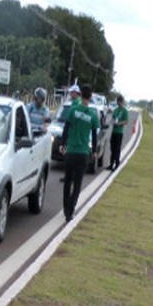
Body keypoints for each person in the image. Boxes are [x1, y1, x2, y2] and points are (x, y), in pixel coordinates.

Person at [59, 83, 98, 222]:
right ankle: (71, 210)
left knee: (67, 180)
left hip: (71, 150)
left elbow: (66, 128)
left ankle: (65, 207)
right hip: (83, 153)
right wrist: (93, 151)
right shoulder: (93, 115)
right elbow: (94, 135)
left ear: (80, 95)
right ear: (91, 97)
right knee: (77, 183)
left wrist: (63, 144)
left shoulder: (73, 110)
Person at [108, 95, 129, 171]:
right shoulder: (116, 110)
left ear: (122, 102)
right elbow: (113, 118)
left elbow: (126, 121)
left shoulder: (124, 111)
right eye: (118, 102)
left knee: (117, 148)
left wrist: (119, 123)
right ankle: (111, 163)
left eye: (120, 102)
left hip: (119, 132)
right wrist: (111, 122)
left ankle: (117, 163)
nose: (119, 103)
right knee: (112, 148)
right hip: (114, 131)